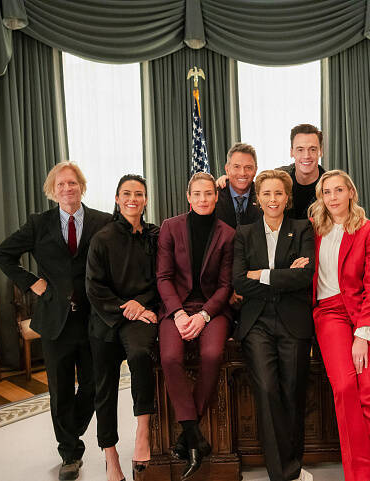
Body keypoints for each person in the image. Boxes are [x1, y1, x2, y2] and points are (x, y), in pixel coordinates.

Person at [0, 162, 111, 481]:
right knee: (60, 390)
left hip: (93, 318)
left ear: (81, 186)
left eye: (72, 183)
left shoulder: (103, 221)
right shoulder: (39, 223)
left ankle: (70, 429)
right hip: (55, 320)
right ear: (52, 190)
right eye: (61, 184)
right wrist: (32, 282)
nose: (67, 188)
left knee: (93, 385)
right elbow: (3, 254)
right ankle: (70, 454)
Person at [232, 169, 315, 481]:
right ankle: (283, 473)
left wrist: (262, 274)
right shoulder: (244, 233)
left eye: (278, 193)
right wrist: (283, 275)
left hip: (294, 320)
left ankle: (293, 464)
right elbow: (239, 281)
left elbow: (304, 276)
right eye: (266, 193)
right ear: (257, 198)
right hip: (257, 322)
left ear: (287, 197)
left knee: (293, 392)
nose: (273, 199)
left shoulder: (302, 228)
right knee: (267, 391)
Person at [156, 172, 235, 479]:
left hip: (213, 308)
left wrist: (203, 316)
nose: (203, 199)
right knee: (170, 357)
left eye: (208, 194)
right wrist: (177, 313)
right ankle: (194, 435)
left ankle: (186, 437)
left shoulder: (228, 234)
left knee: (212, 355)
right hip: (175, 306)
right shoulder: (170, 227)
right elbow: (163, 277)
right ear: (188, 197)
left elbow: (226, 285)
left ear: (216, 197)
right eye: (197, 194)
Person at [309, 170, 370, 481]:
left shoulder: (368, 230)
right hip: (329, 314)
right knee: (344, 388)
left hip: (366, 316)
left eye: (339, 190)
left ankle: (365, 474)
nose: (333, 197)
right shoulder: (313, 229)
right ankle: (362, 475)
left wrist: (363, 331)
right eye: (327, 192)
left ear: (351, 192)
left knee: (367, 394)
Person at [86, 174, 159, 481]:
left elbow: (162, 278)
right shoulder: (102, 238)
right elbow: (94, 286)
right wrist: (124, 306)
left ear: (145, 200)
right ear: (117, 199)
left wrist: (140, 305)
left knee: (141, 356)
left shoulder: (155, 236)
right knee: (104, 388)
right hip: (106, 318)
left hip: (141, 315)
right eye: (126, 193)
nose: (132, 199)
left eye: (138, 194)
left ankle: (143, 430)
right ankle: (111, 455)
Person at [216, 124, 326, 219]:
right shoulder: (278, 177)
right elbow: (256, 186)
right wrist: (229, 179)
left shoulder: (329, 185)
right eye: (300, 149)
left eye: (313, 149)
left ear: (321, 151)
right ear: (291, 152)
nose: (306, 156)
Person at [214, 142, 261, 229]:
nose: (242, 173)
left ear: (255, 170)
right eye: (236, 167)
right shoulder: (214, 196)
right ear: (227, 169)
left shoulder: (263, 196)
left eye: (248, 167)